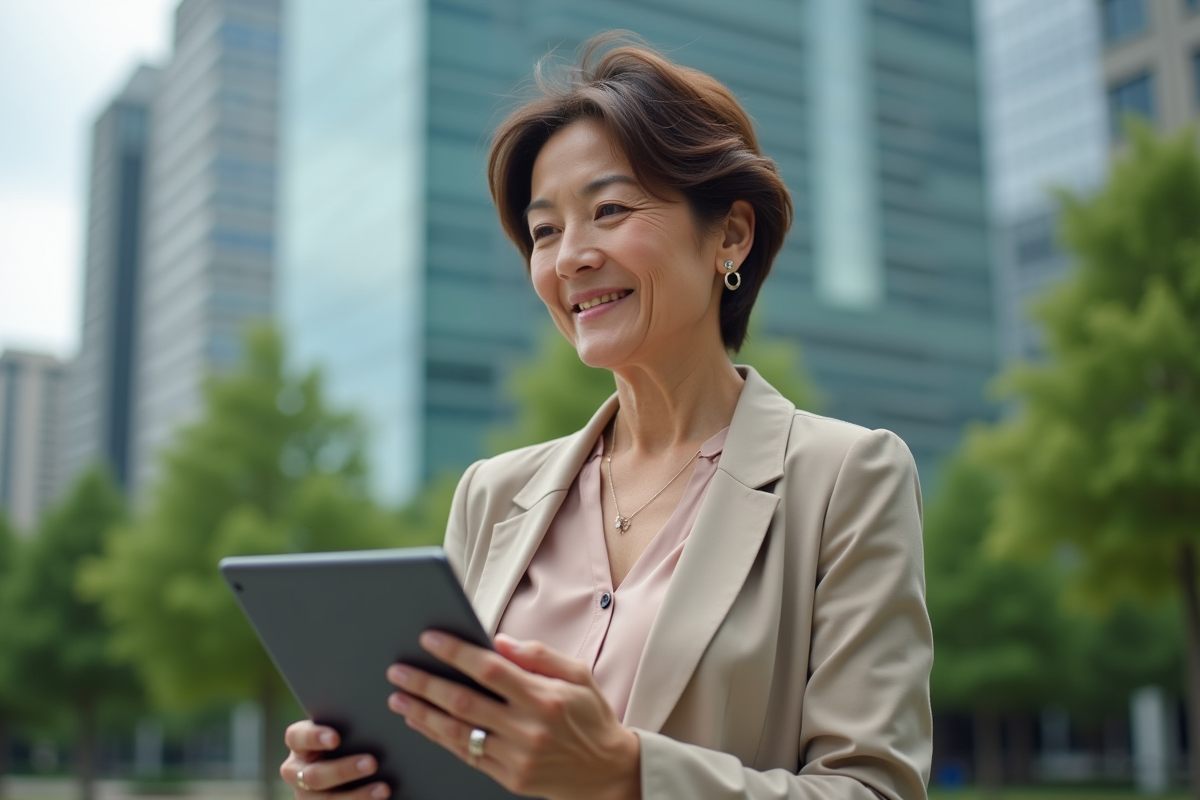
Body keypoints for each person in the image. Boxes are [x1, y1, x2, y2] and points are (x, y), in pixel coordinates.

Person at [280, 33, 932, 800]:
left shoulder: (847, 479)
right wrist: (374, 776)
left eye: (610, 210)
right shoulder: (490, 495)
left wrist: (629, 774)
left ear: (731, 233)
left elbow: (874, 790)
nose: (568, 258)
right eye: (546, 229)